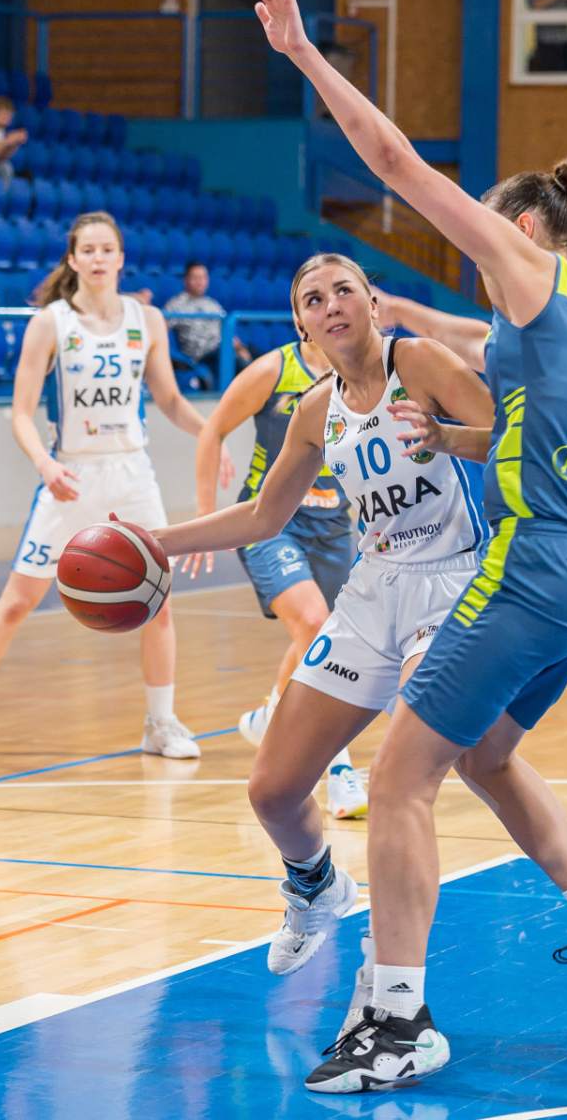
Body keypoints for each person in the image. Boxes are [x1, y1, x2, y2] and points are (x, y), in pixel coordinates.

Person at [250, 0, 567, 1095]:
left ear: (520, 229)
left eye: (486, 229)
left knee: (395, 782)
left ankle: (397, 1020)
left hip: (530, 569)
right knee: (481, 754)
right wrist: (402, 332)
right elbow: (480, 367)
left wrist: (302, 53)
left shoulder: (523, 267)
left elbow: (392, 161)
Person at [145, 250, 492, 979]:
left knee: (404, 777)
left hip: (452, 583)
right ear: (301, 323)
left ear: (372, 302)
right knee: (271, 790)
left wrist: (447, 438)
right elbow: (263, 515)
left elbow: (508, 435)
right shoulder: (312, 410)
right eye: (313, 298)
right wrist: (158, 541)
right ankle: (315, 886)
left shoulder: (420, 362)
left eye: (344, 290)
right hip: (374, 590)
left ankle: (395, 981)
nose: (331, 304)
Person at [0, 211, 231, 762]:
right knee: (18, 601)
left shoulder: (147, 319)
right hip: (70, 475)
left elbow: (168, 399)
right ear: (73, 259)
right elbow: (21, 412)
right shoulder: (51, 322)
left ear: (121, 258)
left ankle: (160, 724)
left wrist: (211, 434)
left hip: (132, 473)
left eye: (106, 249)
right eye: (87, 250)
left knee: (159, 604)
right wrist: (44, 464)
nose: (97, 258)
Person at [182, 320, 369, 819]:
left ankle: (271, 715)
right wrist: (205, 515)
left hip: (334, 524)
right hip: (270, 521)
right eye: (314, 301)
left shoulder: (369, 372)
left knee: (320, 636)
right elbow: (213, 428)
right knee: (314, 624)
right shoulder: (273, 370)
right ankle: (338, 768)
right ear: (301, 320)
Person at [165, 262, 251, 368]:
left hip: (224, 349)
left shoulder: (213, 304)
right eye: (195, 278)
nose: (200, 282)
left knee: (256, 353)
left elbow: (229, 332)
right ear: (186, 280)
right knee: (235, 360)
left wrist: (240, 348)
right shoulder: (176, 305)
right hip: (202, 356)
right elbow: (161, 326)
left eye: (203, 278)